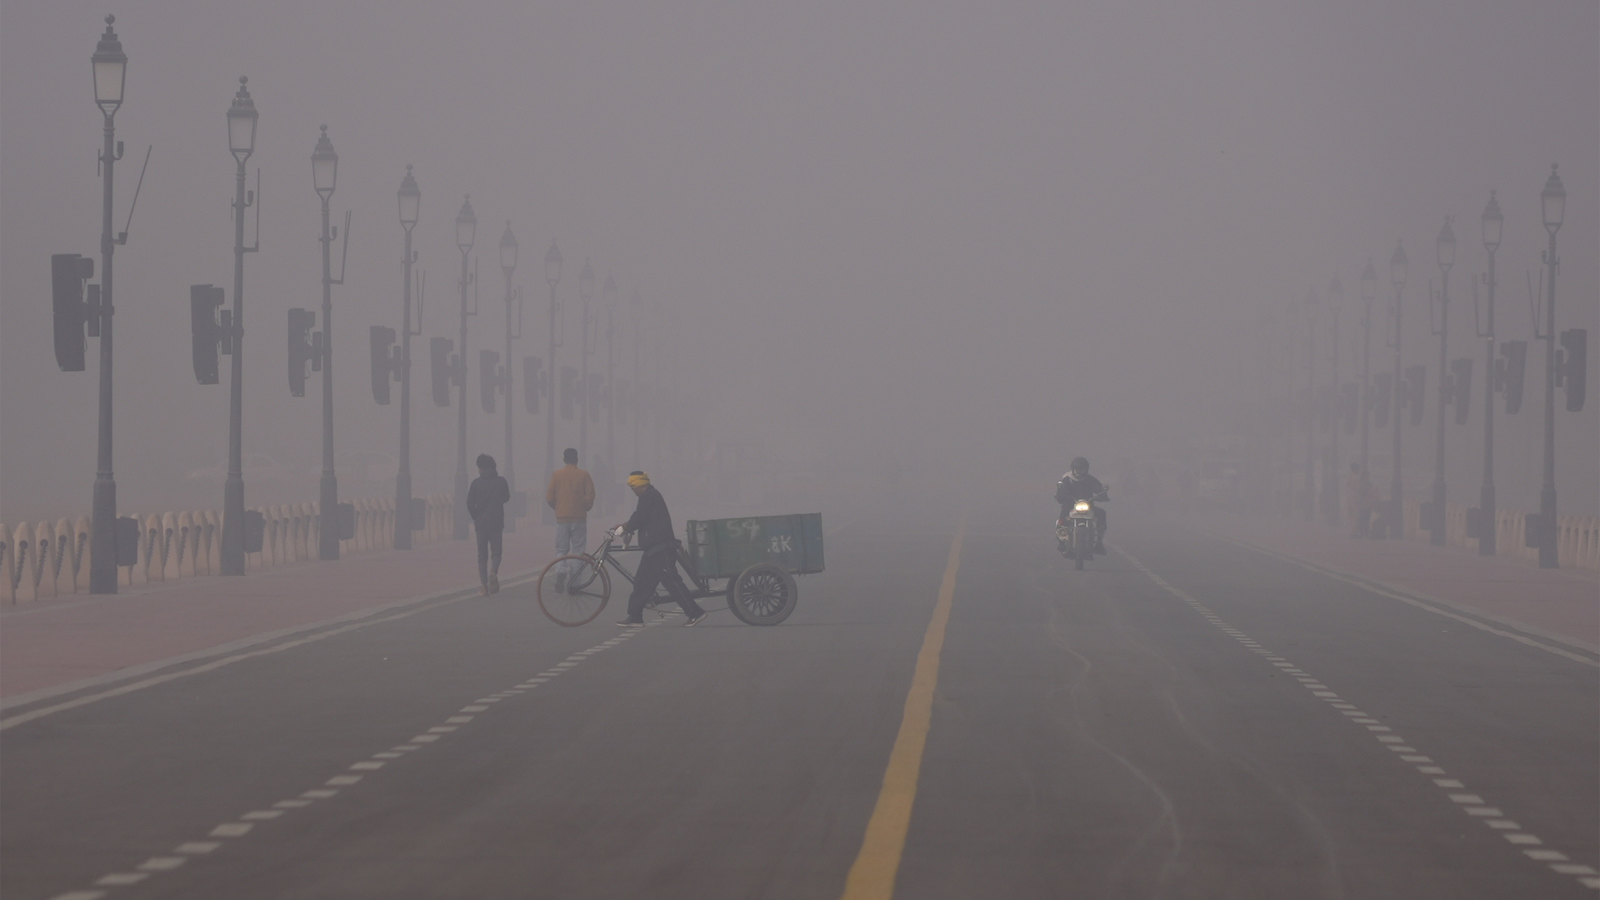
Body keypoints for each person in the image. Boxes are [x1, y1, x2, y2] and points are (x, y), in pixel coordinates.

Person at [616, 471, 707, 627]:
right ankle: (635, 616)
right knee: (641, 583)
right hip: (652, 550)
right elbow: (640, 516)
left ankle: (695, 613)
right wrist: (627, 525)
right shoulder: (650, 496)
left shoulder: (649, 496)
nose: (633, 491)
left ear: (640, 485)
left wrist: (625, 527)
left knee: (672, 582)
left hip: (661, 548)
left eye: (633, 488)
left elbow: (640, 517)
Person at [546, 448, 596, 592]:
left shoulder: (557, 475)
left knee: (561, 549)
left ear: (564, 460)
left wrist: (557, 506)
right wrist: (585, 507)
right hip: (579, 517)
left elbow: (549, 497)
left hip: (562, 517)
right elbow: (590, 495)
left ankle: (561, 571)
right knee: (578, 552)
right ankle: (574, 584)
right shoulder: (584, 475)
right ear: (577, 459)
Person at [467, 454, 510, 595]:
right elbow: (506, 498)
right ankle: (493, 571)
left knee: (482, 555)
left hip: (481, 523)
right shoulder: (501, 481)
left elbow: (469, 503)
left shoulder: (476, 483)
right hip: (496, 522)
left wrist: (476, 516)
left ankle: (484, 588)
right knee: (496, 552)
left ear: (480, 468)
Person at [1055, 456, 1108, 553]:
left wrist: (1102, 495)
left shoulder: (1090, 479)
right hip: (1070, 506)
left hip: (1088, 507)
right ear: (1073, 469)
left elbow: (1099, 488)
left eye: (1082, 469)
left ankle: (1099, 543)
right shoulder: (1068, 480)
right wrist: (1060, 496)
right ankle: (1061, 541)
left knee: (1101, 513)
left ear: (1086, 469)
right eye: (1077, 469)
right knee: (1063, 516)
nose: (1079, 471)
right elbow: (1061, 490)